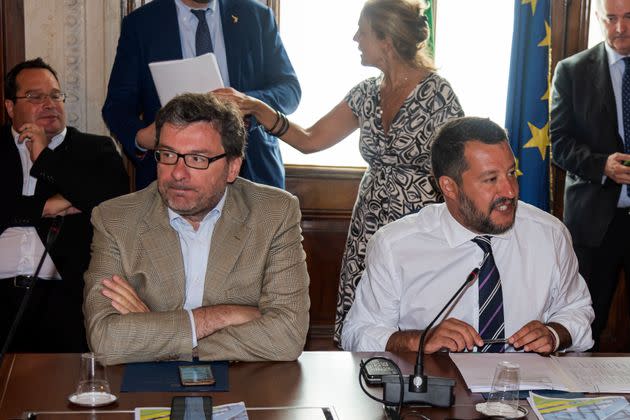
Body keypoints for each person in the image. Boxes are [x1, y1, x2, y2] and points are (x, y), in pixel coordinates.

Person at [217, 0, 463, 345]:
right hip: (370, 222)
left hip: (422, 222)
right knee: (368, 316)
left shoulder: (438, 93)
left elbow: (459, 161)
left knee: (417, 311)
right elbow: (309, 140)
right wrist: (259, 109)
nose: (355, 38)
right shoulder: (365, 93)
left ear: (386, 40)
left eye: (362, 31)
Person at [84, 93, 310, 365]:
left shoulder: (274, 213)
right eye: (167, 155)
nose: (178, 173)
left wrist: (151, 334)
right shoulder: (115, 219)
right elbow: (106, 341)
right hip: (144, 391)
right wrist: (219, 317)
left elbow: (287, 335)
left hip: (246, 382)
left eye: (197, 159)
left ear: (232, 167)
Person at [342, 117, 594, 354]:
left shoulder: (549, 234)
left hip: (526, 389)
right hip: (437, 388)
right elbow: (356, 333)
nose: (510, 190)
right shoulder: (396, 245)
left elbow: (576, 310)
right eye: (490, 179)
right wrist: (418, 340)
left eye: (510, 173)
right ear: (449, 187)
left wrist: (554, 333)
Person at [0, 58, 129, 353]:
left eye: (55, 95)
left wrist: (45, 157)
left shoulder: (95, 150)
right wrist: (45, 207)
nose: (49, 103)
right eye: (35, 96)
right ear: (10, 107)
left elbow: (112, 204)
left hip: (63, 294)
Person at [102, 0, 300, 190]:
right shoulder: (141, 24)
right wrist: (144, 138)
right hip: (174, 178)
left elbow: (289, 90)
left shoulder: (257, 16)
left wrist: (249, 103)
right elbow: (117, 107)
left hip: (253, 173)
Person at [550, 0, 630, 350]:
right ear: (598, 18)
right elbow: (560, 143)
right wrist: (602, 165)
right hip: (596, 222)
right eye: (610, 19)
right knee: (586, 322)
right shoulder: (572, 71)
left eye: (628, 18)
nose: (619, 29)